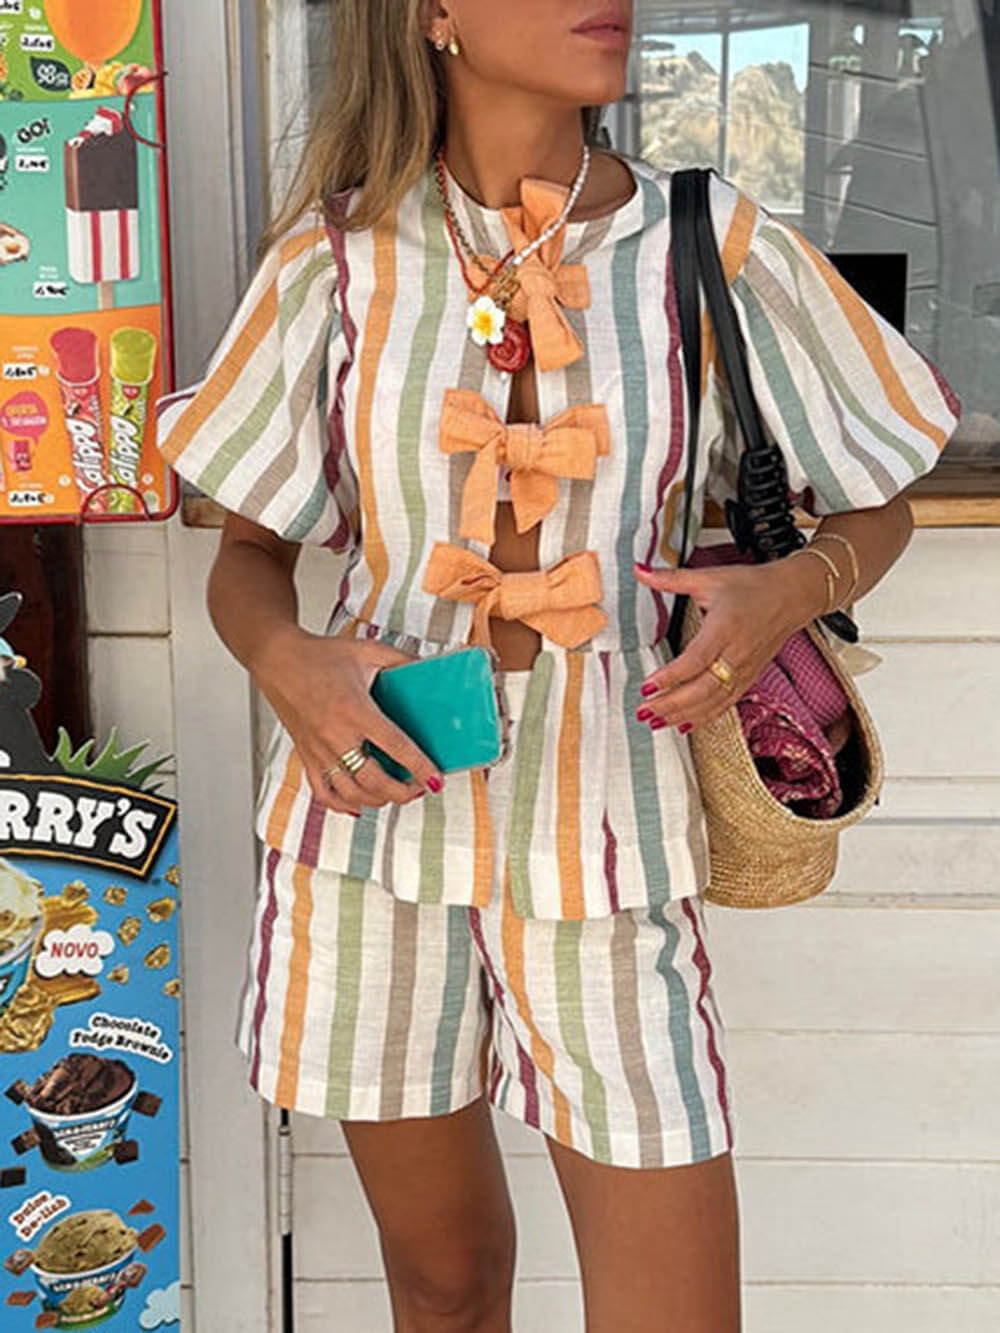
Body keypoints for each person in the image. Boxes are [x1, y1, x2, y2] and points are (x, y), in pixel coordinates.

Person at [157, 2, 960, 1328]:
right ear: (436, 15)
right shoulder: (336, 262)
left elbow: (881, 502)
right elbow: (247, 551)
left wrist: (789, 592)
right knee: (444, 1285)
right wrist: (289, 663)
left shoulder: (707, 242)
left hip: (608, 817)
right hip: (374, 816)